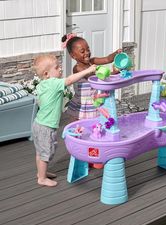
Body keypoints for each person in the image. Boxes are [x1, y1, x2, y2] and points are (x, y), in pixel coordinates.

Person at [32, 54, 96, 187]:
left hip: (38, 123)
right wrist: (88, 71)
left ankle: (41, 173)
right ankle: (42, 179)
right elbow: (69, 80)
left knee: (40, 151)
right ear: (46, 73)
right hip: (46, 127)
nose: (60, 69)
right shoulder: (54, 83)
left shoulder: (42, 84)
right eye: (57, 67)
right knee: (46, 152)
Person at [62, 33, 121, 169]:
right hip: (81, 108)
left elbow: (107, 59)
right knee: (81, 132)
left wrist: (115, 54)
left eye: (88, 49)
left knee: (95, 130)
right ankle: (82, 156)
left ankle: (95, 156)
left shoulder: (92, 62)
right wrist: (112, 74)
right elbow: (93, 76)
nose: (87, 53)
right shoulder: (78, 68)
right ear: (73, 56)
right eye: (82, 51)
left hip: (93, 105)